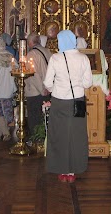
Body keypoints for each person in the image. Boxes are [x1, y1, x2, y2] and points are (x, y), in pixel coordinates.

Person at [43, 30, 93, 183]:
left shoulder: (56, 58)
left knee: (60, 135)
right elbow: (88, 83)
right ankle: (73, 170)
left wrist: (55, 89)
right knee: (76, 136)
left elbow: (47, 83)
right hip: (77, 101)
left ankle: (62, 169)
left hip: (59, 102)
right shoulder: (83, 58)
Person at [25, 33, 52, 138]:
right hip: (47, 89)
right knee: (44, 115)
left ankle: (36, 138)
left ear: (30, 42)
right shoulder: (47, 51)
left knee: (34, 117)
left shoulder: (31, 55)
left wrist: (42, 89)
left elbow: (33, 74)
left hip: (35, 91)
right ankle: (44, 138)